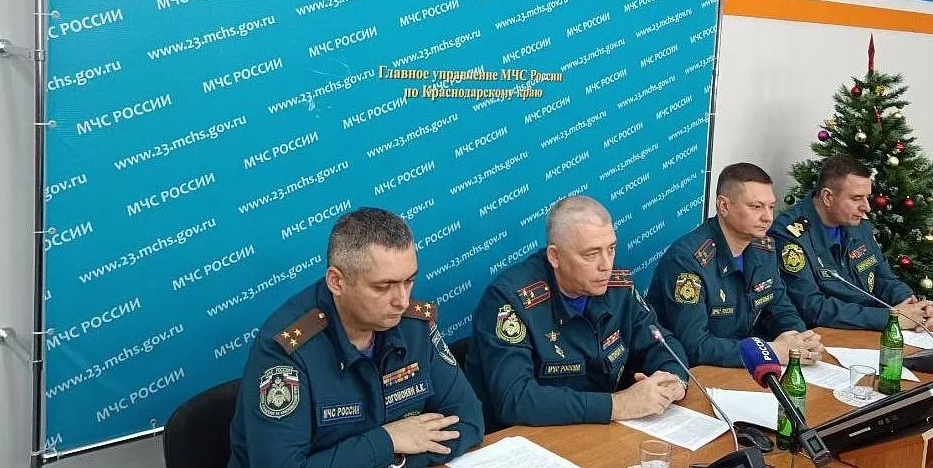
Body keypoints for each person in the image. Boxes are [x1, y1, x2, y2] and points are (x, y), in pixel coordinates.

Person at [228, 207, 484, 468]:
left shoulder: (413, 324)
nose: (402, 300)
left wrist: (395, 460)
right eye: (383, 287)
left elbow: (469, 421)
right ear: (336, 282)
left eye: (409, 281)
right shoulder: (285, 352)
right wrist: (387, 441)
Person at [465, 195, 689, 430]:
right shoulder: (509, 300)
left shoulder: (617, 285)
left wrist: (674, 380)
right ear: (555, 256)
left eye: (611, 249)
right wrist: (618, 405)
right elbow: (515, 399)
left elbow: (661, 342)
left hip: (602, 430)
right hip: (534, 436)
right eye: (591, 254)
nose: (606, 265)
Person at [647, 162, 824, 367]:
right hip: (700, 373)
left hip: (744, 364)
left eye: (771, 207)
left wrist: (800, 341)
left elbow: (780, 308)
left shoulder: (764, 248)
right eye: (756, 207)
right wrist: (770, 351)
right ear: (724, 206)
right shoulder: (686, 261)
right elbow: (695, 346)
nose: (768, 217)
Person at [769, 155, 933, 331]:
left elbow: (882, 277)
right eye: (857, 198)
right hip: (826, 333)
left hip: (866, 327)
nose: (867, 207)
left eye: (867, 197)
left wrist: (911, 304)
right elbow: (812, 307)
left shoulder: (857, 223)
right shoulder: (789, 235)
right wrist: (889, 318)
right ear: (827, 197)